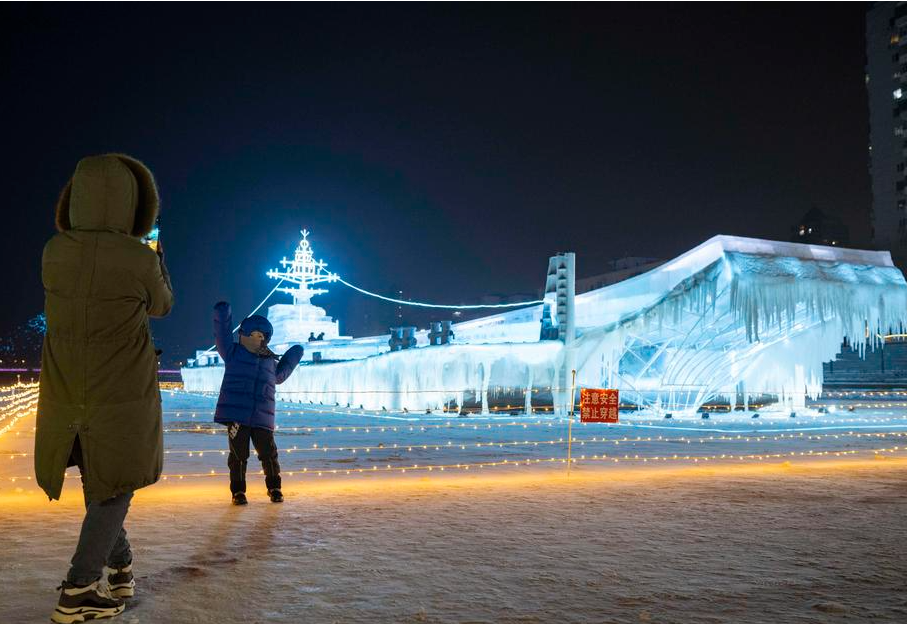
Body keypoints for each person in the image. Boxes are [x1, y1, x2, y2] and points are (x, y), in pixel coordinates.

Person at [35, 154, 173, 623]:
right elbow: (163, 306)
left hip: (65, 387)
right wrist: (155, 256)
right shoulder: (138, 257)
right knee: (115, 488)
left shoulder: (54, 250)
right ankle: (78, 590)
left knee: (100, 481)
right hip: (121, 392)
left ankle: (119, 568)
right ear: (133, 206)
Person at [212, 303, 303, 505]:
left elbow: (280, 376)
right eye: (253, 334)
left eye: (261, 336)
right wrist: (222, 314)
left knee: (269, 454)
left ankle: (275, 488)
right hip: (237, 416)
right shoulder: (233, 352)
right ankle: (238, 492)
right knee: (238, 455)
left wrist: (293, 356)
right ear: (243, 335)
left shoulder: (270, 361)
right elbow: (222, 335)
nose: (257, 338)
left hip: (262, 416)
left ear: (266, 339)